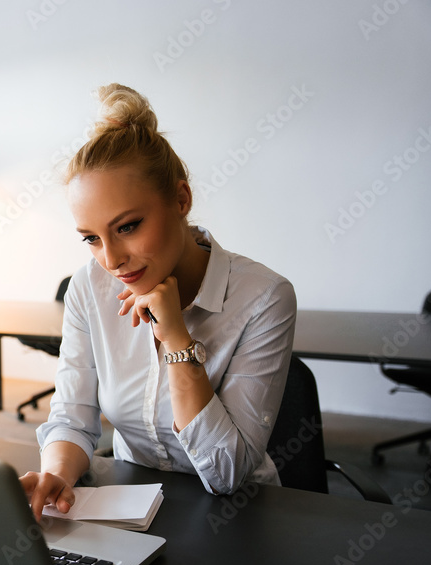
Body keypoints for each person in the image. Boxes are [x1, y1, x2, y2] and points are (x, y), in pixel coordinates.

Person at [20, 83, 296, 522]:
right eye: (91, 238)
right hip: (132, 508)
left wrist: (176, 339)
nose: (110, 260)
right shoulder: (89, 287)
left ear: (181, 200)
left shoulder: (264, 297)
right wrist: (56, 474)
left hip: (240, 518)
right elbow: (73, 418)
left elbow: (228, 475)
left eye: (128, 227)